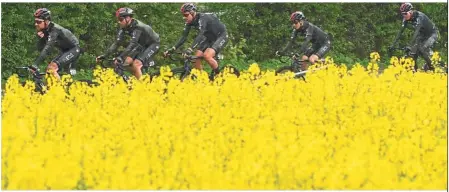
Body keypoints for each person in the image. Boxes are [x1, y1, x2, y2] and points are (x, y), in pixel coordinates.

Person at [163, 3, 228, 77]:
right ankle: (203, 79)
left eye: (186, 15)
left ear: (192, 13)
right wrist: (172, 49)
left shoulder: (203, 18)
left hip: (221, 36)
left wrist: (190, 48)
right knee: (196, 57)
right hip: (209, 38)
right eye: (183, 15)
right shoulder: (189, 22)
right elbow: (183, 37)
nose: (184, 17)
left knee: (207, 55)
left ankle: (219, 77)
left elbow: (201, 34)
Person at [96, 7, 160, 80]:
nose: (119, 22)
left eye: (121, 19)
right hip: (141, 44)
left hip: (152, 44)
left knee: (136, 64)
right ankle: (136, 79)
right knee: (125, 62)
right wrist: (105, 55)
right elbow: (117, 42)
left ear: (128, 18)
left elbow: (133, 44)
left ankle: (143, 87)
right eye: (118, 20)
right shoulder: (124, 26)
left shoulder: (138, 27)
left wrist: (120, 56)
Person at [33, 8, 81, 80]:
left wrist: (35, 64)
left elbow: (47, 48)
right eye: (35, 21)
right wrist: (42, 38)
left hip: (73, 49)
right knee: (49, 70)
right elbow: (40, 48)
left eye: (38, 22)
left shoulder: (54, 30)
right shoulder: (46, 30)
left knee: (52, 69)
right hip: (65, 51)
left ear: (46, 21)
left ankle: (61, 90)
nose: (36, 24)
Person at [389, 2, 439, 71]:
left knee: (422, 49)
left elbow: (416, 32)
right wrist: (393, 44)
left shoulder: (419, 17)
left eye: (405, 13)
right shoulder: (406, 18)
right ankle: (415, 71)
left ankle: (432, 68)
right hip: (422, 34)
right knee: (412, 52)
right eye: (402, 14)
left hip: (432, 34)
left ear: (410, 12)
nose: (404, 16)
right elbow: (400, 32)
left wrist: (409, 45)